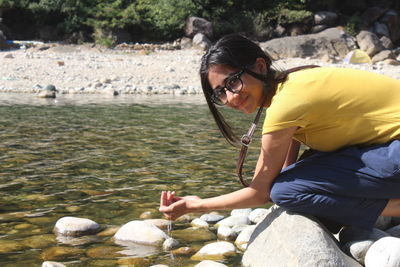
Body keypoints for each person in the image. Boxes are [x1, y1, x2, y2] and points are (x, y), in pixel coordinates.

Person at [159, 34, 400, 231]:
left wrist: (197, 205)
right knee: (299, 174)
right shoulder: (294, 81)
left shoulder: (286, 105)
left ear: (260, 66)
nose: (230, 97)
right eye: (220, 92)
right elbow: (285, 171)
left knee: (285, 192)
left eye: (232, 81)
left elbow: (261, 192)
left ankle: (393, 209)